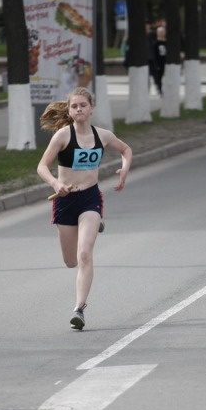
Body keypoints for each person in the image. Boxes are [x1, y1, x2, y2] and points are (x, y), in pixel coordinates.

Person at [36, 88, 133, 330]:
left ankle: (79, 309)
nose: (79, 109)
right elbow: (42, 167)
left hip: (90, 198)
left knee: (84, 255)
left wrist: (124, 170)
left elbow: (126, 150)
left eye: (83, 105)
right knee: (70, 261)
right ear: (69, 111)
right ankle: (91, 223)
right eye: (74, 106)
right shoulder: (62, 136)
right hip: (65, 202)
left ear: (91, 108)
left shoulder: (103, 135)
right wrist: (56, 183)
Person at [151, 25, 167, 96]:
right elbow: (154, 55)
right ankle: (160, 89)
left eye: (162, 32)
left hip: (166, 62)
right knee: (159, 78)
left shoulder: (167, 43)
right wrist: (156, 64)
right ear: (157, 33)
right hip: (159, 63)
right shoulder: (156, 44)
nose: (161, 33)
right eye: (160, 32)